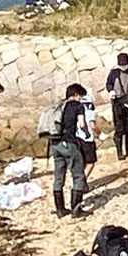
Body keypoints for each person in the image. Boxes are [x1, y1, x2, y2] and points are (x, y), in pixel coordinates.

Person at [52, 83, 96, 216]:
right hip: (69, 143)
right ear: (76, 95)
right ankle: (76, 209)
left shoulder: (60, 106)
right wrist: (88, 134)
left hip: (55, 144)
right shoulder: (78, 106)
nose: (81, 99)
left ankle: (60, 209)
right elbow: (82, 124)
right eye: (80, 96)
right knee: (78, 175)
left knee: (59, 177)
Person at [105, 52, 128, 160]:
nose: (123, 67)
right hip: (117, 102)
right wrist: (111, 91)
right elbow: (108, 84)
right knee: (119, 128)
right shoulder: (114, 73)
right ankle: (120, 152)